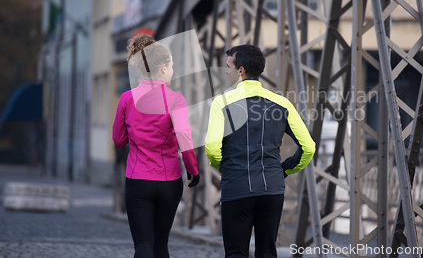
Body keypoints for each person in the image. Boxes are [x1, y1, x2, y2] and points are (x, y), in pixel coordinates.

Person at [205, 44, 315, 258]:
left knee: (236, 252)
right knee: (267, 252)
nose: (226, 71)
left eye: (228, 66)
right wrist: (285, 169)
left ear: (241, 70)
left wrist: (224, 165)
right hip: (271, 188)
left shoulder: (221, 103)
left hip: (236, 186)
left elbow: (211, 148)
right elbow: (308, 147)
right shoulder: (282, 103)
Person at [112, 33, 199, 258]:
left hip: (137, 180)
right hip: (169, 181)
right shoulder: (176, 99)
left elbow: (118, 140)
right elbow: (183, 134)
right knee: (161, 245)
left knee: (143, 245)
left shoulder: (126, 98)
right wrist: (192, 168)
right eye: (171, 65)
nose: (173, 70)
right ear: (162, 67)